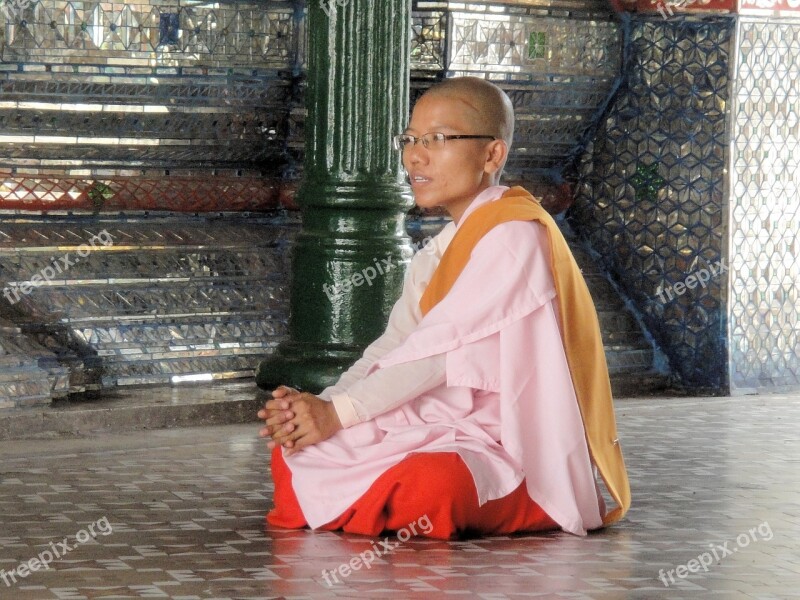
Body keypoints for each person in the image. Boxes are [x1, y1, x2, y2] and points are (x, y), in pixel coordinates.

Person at [258, 76, 630, 540]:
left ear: (492, 154)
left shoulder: (515, 234)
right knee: (292, 452)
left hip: (500, 436)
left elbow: (438, 355)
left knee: (433, 486)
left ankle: (527, 500)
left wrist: (337, 416)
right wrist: (321, 407)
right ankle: (380, 496)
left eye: (437, 139)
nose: (415, 156)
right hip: (435, 419)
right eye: (410, 140)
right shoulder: (438, 251)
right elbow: (393, 346)